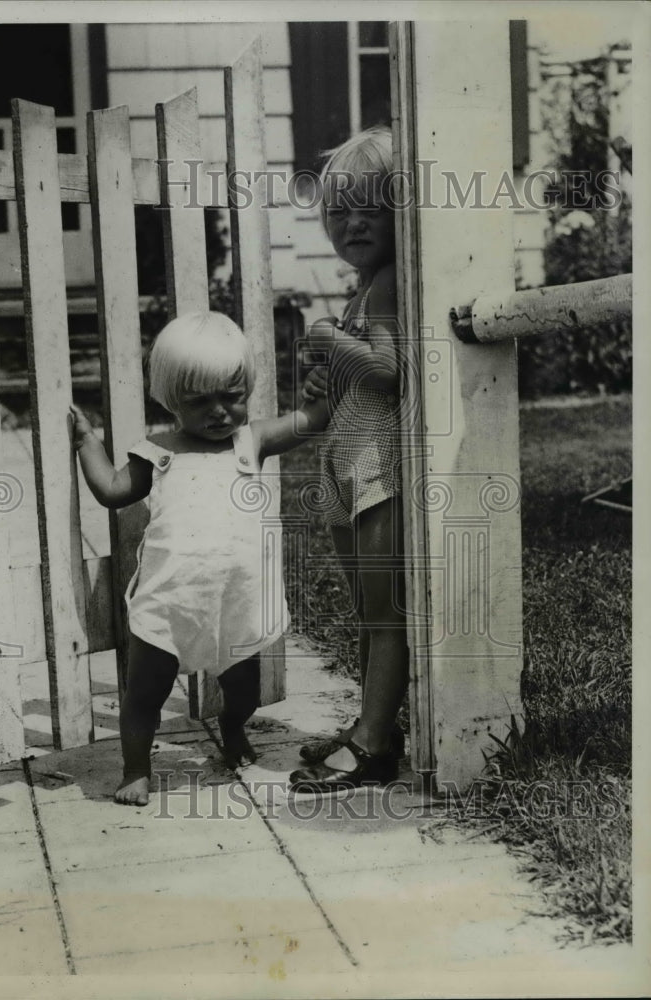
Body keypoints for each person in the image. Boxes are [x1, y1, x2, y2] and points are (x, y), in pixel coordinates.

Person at [71, 311, 328, 806]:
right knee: (144, 694)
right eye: (199, 400)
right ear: (171, 399)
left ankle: (234, 734)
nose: (218, 412)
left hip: (237, 599)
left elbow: (310, 423)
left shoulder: (250, 440)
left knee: (245, 693)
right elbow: (110, 490)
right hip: (171, 599)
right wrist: (88, 443)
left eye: (232, 397)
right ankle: (136, 770)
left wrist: (322, 390)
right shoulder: (158, 451)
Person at [289, 125, 409, 796]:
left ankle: (372, 746)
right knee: (369, 614)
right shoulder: (362, 288)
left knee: (384, 615)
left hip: (378, 476)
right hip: (349, 470)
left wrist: (331, 339)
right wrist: (323, 376)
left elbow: (390, 371)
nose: (353, 223)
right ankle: (373, 727)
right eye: (339, 210)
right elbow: (356, 378)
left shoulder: (387, 285)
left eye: (372, 207)